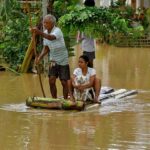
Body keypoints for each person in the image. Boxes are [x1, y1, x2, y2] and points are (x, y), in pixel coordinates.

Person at [30, 14, 70, 99]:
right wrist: (39, 58)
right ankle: (54, 99)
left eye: (46, 23)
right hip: (53, 60)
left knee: (63, 81)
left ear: (52, 24)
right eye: (44, 23)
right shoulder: (44, 33)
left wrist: (38, 32)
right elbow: (46, 48)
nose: (44, 24)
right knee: (51, 80)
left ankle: (65, 99)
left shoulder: (57, 31)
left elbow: (51, 37)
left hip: (63, 59)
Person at [77, 0, 96, 68]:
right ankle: (89, 76)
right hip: (87, 46)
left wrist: (79, 38)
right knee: (87, 63)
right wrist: (79, 37)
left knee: (89, 64)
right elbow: (80, 28)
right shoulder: (85, 16)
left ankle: (90, 76)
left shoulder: (92, 17)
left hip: (89, 47)